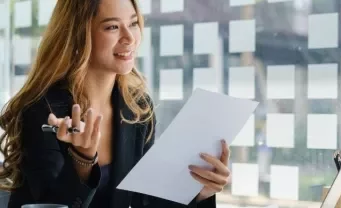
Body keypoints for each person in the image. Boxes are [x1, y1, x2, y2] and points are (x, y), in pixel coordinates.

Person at [0, 0, 231, 207]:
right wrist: (83, 162)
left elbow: (143, 200)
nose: (130, 38)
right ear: (79, 35)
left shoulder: (137, 107)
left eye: (132, 24)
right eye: (112, 27)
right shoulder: (41, 110)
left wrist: (200, 192)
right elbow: (49, 204)